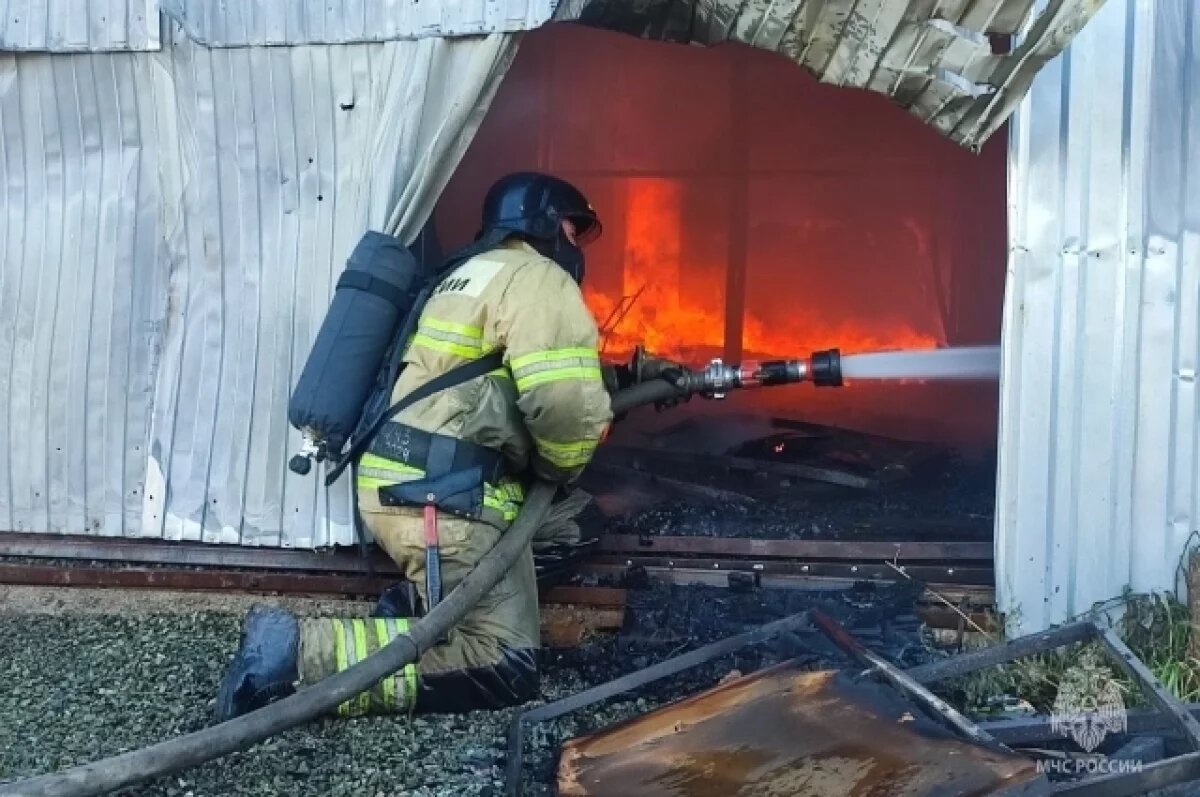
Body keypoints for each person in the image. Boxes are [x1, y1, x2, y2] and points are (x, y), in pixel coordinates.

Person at [216, 172, 666, 719]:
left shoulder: (468, 274)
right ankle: (297, 653)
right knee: (503, 663)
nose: (578, 246)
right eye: (575, 230)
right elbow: (563, 404)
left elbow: (491, 377)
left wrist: (630, 379)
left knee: (573, 524)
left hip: (415, 475)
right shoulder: (539, 278)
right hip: (440, 495)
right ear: (544, 223)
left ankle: (418, 610)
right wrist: (561, 466)